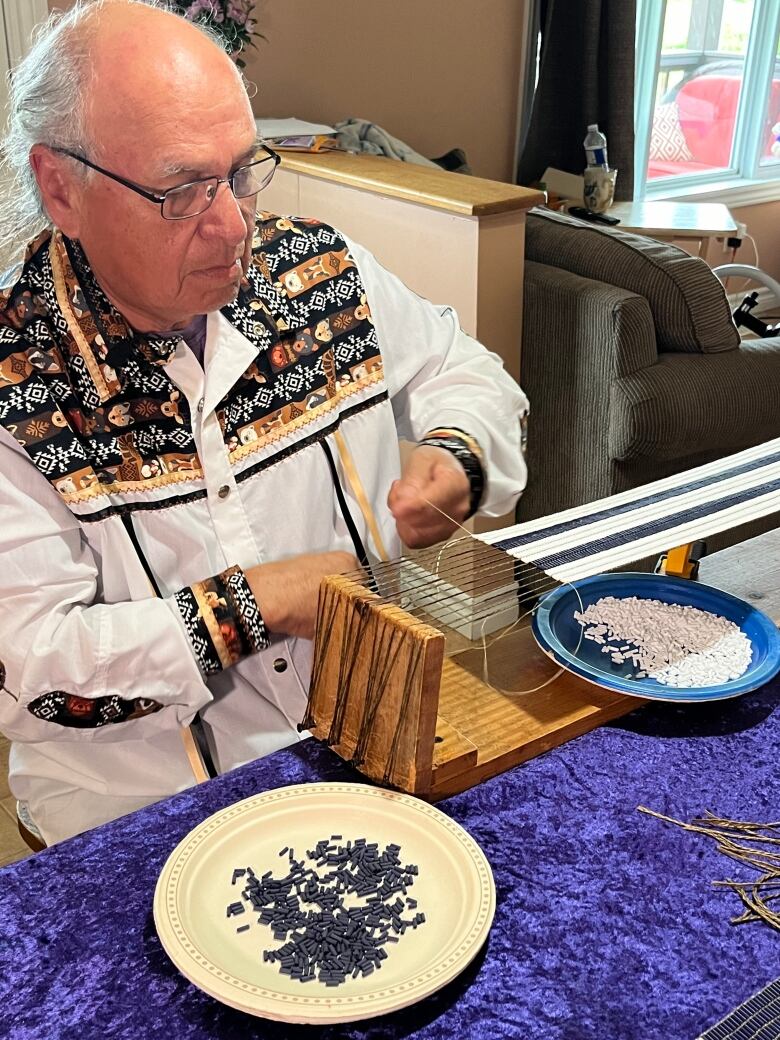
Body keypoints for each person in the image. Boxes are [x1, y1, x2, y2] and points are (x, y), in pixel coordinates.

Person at [0, 0, 528, 845]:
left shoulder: (316, 270)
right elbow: (35, 666)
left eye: (243, 170)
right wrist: (258, 603)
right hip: (132, 810)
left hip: (362, 734)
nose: (234, 224)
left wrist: (458, 451)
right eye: (181, 191)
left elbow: (457, 365)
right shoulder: (14, 382)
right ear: (62, 186)